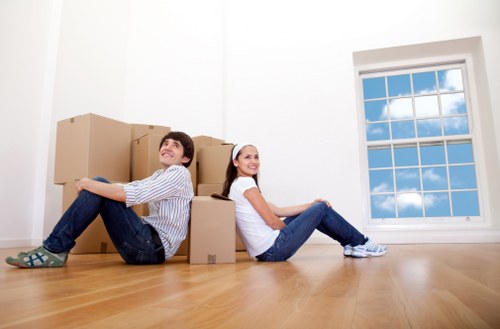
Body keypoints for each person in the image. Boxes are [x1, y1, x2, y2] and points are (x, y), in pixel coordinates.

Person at [6, 131, 195, 268]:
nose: (167, 147)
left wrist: (89, 184)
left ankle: (53, 249)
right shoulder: (159, 174)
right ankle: (54, 249)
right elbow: (131, 187)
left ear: (185, 158)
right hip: (146, 245)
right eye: (166, 143)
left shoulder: (179, 174)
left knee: (98, 185)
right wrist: (93, 186)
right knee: (100, 186)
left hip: (151, 248)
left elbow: (134, 195)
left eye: (175, 146)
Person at [222, 143, 387, 261]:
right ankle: (361, 242)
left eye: (256, 157)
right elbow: (272, 222)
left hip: (265, 251)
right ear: (236, 162)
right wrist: (294, 231)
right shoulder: (246, 184)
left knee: (317, 207)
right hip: (273, 250)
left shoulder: (238, 185)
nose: (254, 161)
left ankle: (352, 245)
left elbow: (277, 210)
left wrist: (310, 205)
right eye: (247, 157)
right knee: (321, 208)